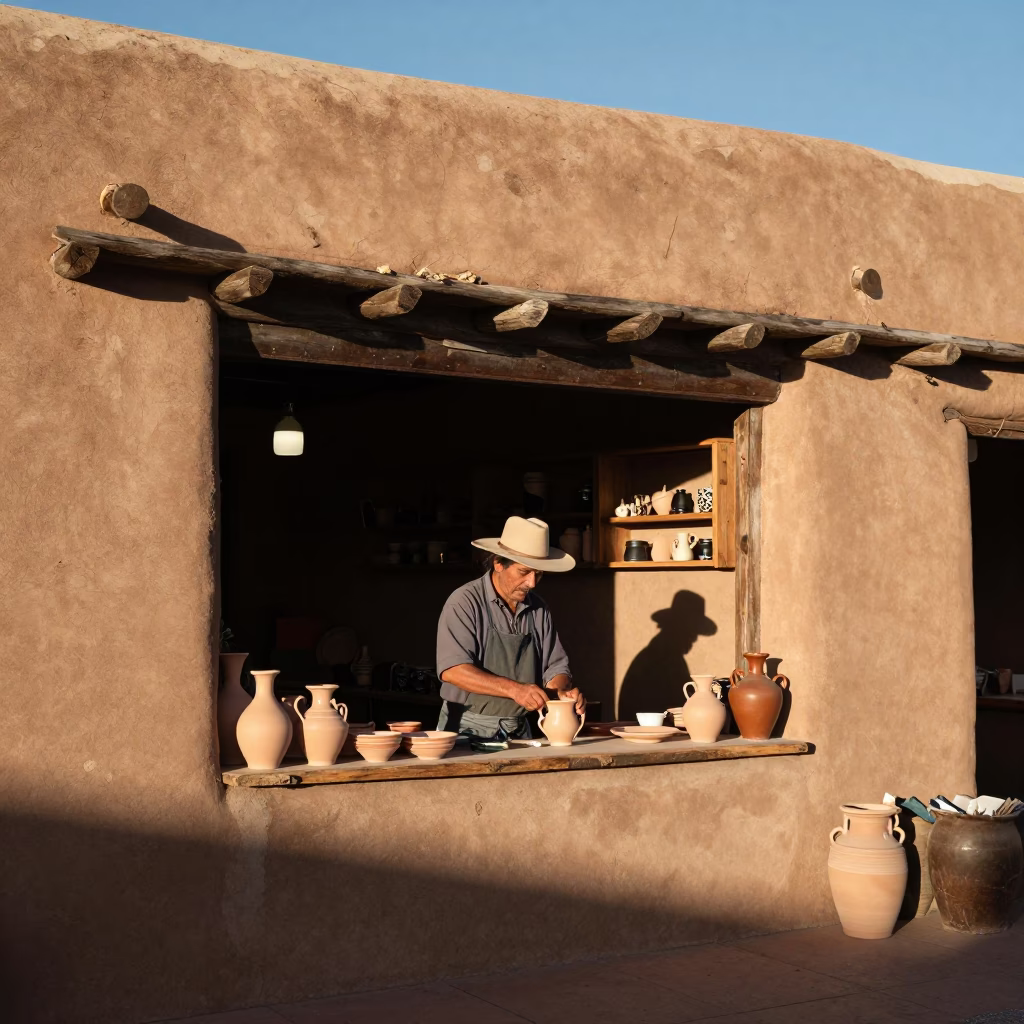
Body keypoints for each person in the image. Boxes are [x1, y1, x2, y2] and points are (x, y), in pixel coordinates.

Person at [436, 516, 584, 740]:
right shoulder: (464, 602)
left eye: (539, 573)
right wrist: (515, 690)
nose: (532, 583)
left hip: (518, 729)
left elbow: (555, 667)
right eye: (524, 572)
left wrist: (561, 692)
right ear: (498, 563)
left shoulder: (538, 608)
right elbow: (453, 669)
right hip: (466, 727)